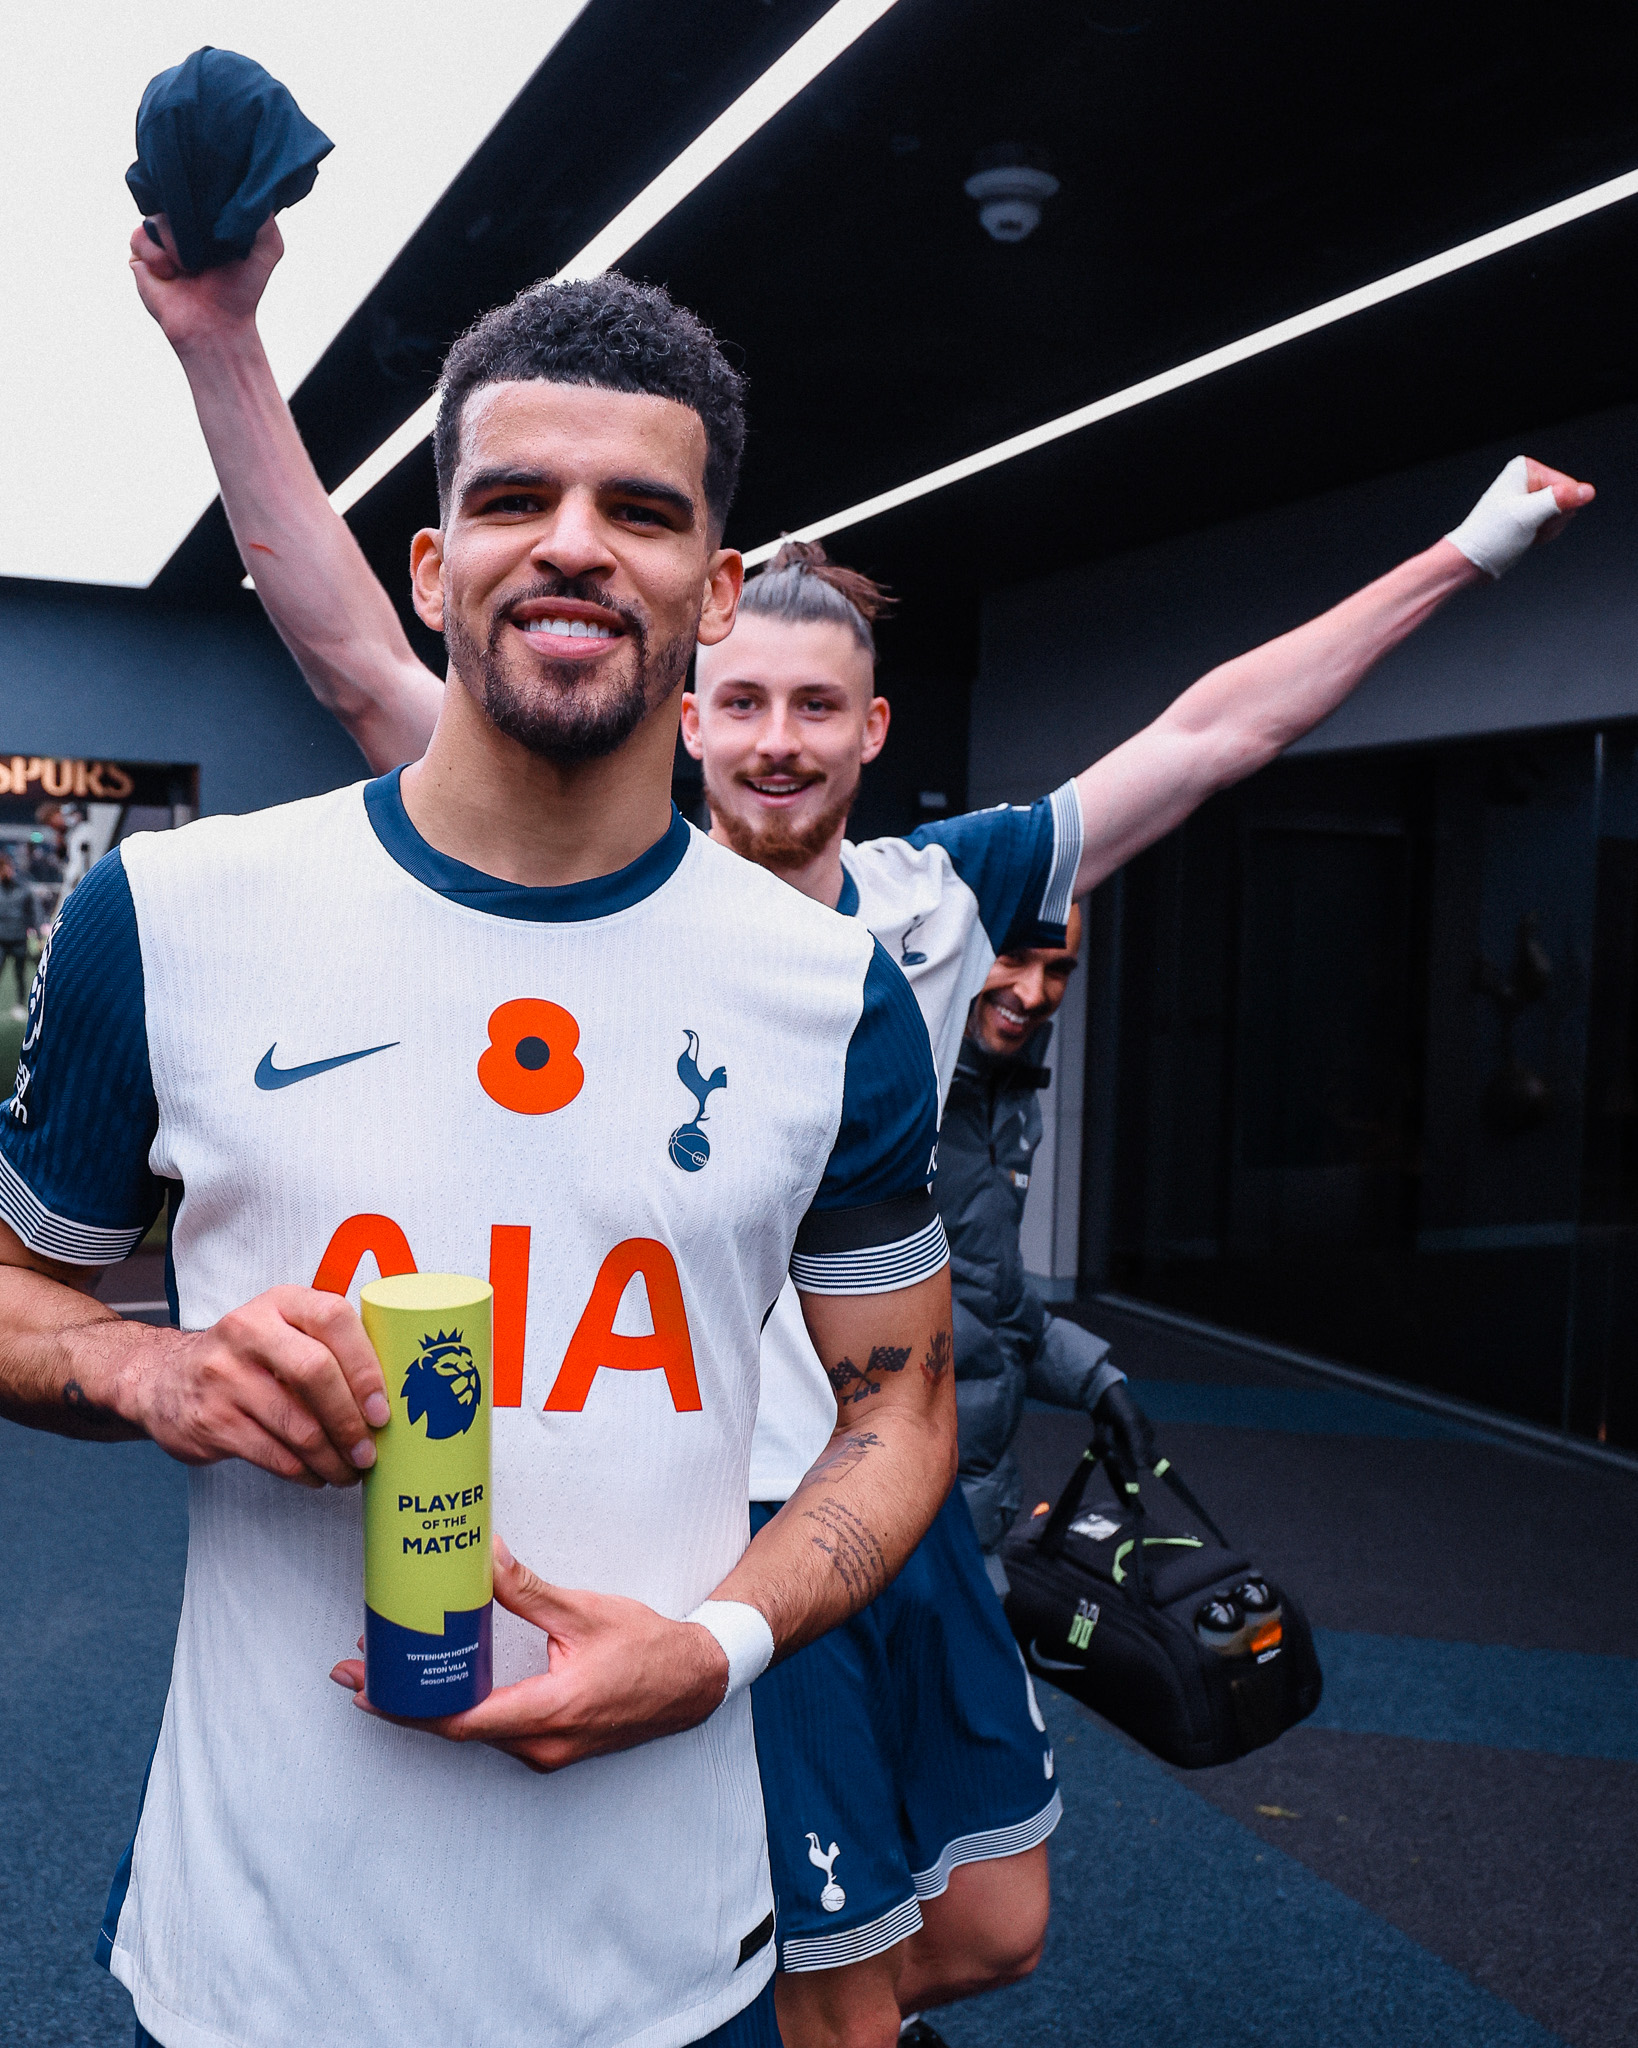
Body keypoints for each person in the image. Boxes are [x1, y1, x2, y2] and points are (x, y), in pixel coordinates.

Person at [128, 212, 1595, 2048]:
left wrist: (1465, 552)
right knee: (804, 1969)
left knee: (982, 1919)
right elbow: (356, 645)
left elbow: (1211, 733)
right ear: (686, 688)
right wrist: (220, 345)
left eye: (810, 708)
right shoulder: (543, 846)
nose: (768, 741)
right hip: (691, 1489)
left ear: (858, 721)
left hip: (897, 1487)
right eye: (739, 708)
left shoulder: (930, 900)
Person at [1, 269, 962, 2048]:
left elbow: (898, 1409)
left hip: (656, 1955)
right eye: (513, 498)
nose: (574, 545)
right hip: (257, 1958)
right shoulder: (175, 913)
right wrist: (150, 1360)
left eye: (642, 510)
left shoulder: (829, 994)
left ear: (717, 588)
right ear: (435, 571)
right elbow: (15, 1294)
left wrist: (721, 1645)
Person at [938, 904, 1149, 1564]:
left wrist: (1095, 1381)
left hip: (976, 1500)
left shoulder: (1011, 1100)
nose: (1034, 994)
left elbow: (991, 1297)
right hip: (897, 1511)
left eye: (1058, 970)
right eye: (1012, 958)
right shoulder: (895, 1096)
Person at [0, 854, 38, 1014]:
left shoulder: (23, 888)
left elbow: (33, 911)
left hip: (18, 938)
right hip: (1, 939)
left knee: (20, 974)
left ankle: (20, 1005)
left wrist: (37, 928)